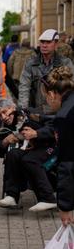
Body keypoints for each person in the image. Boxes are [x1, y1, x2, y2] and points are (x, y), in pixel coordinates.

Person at [0, 98, 57, 211]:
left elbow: (54, 125)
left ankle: (48, 199)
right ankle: (11, 196)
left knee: (29, 159)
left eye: (4, 112)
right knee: (13, 154)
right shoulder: (5, 127)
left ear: (13, 107)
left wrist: (36, 133)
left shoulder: (29, 113)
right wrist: (5, 141)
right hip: (32, 149)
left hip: (50, 146)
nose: (3, 117)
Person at [43, 68, 74, 225]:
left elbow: (67, 165)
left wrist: (65, 206)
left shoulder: (63, 116)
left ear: (52, 94)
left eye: (46, 98)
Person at [18, 29, 74, 114]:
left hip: (59, 111)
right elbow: (24, 87)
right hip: (37, 111)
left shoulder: (65, 62)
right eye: (42, 42)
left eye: (48, 42)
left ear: (56, 44)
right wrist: (23, 110)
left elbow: (71, 86)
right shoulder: (30, 63)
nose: (44, 45)